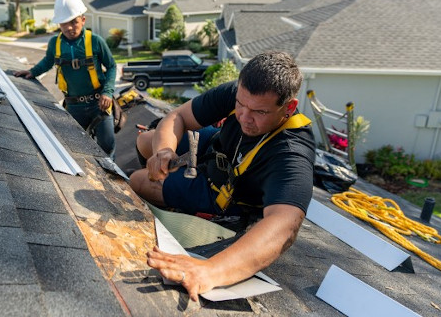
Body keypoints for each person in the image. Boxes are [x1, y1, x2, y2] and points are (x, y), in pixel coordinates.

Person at [129, 51, 316, 301]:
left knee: (137, 182)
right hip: (215, 150)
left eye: (259, 112)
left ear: (288, 107)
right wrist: (164, 152)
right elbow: (178, 116)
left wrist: (210, 271)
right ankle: (165, 173)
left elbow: (284, 227)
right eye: (240, 104)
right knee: (146, 141)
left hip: (225, 192)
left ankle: (175, 200)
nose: (244, 118)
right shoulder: (244, 94)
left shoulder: (291, 155)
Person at [14, 0, 117, 158]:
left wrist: (108, 92)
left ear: (83, 20)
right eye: (64, 23)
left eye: (74, 22)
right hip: (74, 106)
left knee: (107, 146)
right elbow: (48, 62)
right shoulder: (55, 43)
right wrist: (32, 72)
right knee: (76, 148)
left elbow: (111, 66)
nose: (69, 27)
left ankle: (113, 180)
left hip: (99, 103)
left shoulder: (96, 41)